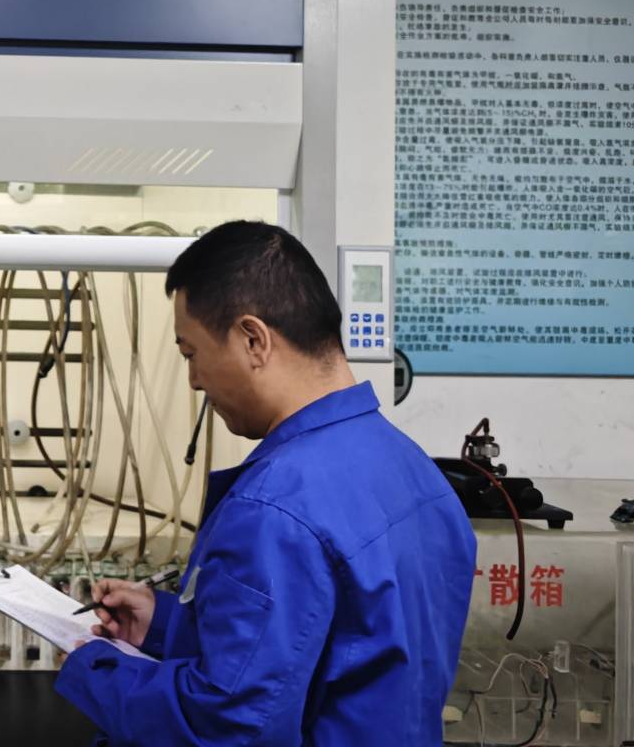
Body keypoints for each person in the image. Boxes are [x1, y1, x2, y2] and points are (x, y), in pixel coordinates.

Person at [58, 221, 475, 745]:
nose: (194, 381)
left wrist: (98, 670)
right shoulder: (413, 470)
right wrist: (165, 626)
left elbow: (230, 727)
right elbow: (330, 652)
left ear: (253, 339)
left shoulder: (274, 508)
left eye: (191, 354)